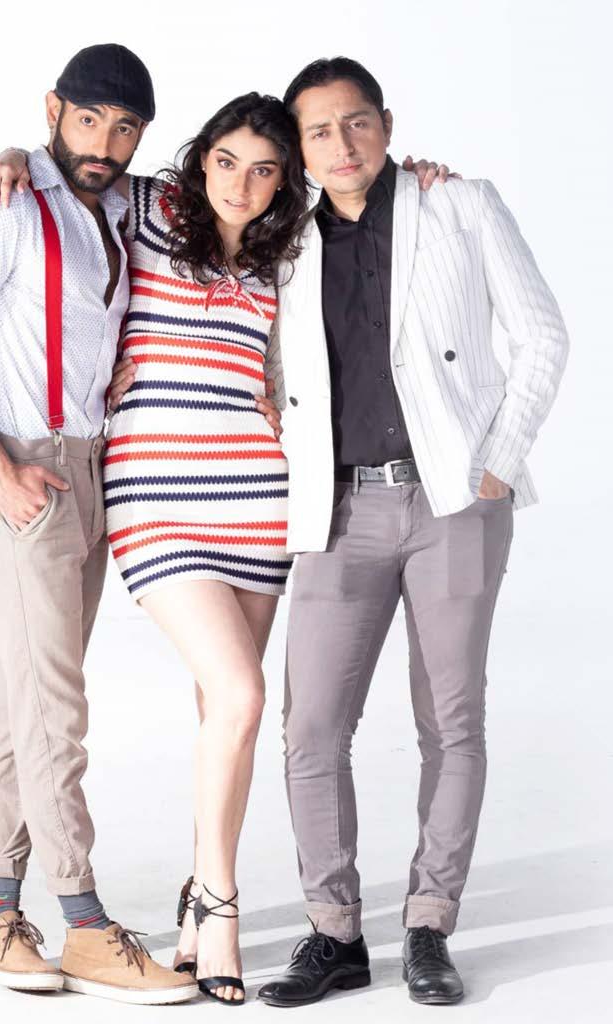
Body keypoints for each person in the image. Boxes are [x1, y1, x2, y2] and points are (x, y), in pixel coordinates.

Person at [0, 90, 450, 1002]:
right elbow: (70, 167)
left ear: (283, 183)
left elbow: (354, 268)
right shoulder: (151, 209)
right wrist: (6, 154)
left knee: (221, 714)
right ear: (201, 162)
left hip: (258, 499)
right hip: (157, 494)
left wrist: (424, 177)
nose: (241, 183)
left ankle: (200, 900)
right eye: (226, 162)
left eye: (264, 170)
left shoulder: (291, 250)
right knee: (243, 693)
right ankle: (222, 904)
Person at [253, 57, 569, 1008]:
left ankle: (430, 924)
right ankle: (335, 932)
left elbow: (542, 335)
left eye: (356, 122)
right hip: (335, 509)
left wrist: (496, 462)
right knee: (311, 728)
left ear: (386, 125)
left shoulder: (460, 205)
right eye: (318, 131)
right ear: (299, 149)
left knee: (451, 722)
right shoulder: (283, 240)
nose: (341, 144)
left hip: (452, 503)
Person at [0, 43, 202, 1005]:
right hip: (17, 471)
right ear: (54, 109)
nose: (104, 144)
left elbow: (234, 186)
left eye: (125, 129)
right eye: (88, 121)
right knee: (57, 708)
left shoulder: (123, 205)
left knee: (27, 702)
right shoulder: (0, 205)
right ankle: (82, 923)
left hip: (88, 471)